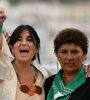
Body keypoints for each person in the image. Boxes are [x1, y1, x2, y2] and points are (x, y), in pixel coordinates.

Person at [0, 8, 52, 100]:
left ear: (37, 48)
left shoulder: (45, 76)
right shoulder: (3, 71)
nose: (24, 43)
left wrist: (85, 69)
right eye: (19, 39)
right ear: (11, 47)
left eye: (29, 40)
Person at [44, 28, 90, 100]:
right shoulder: (49, 83)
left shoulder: (88, 82)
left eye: (74, 52)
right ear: (56, 55)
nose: (69, 58)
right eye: (64, 52)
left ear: (84, 54)